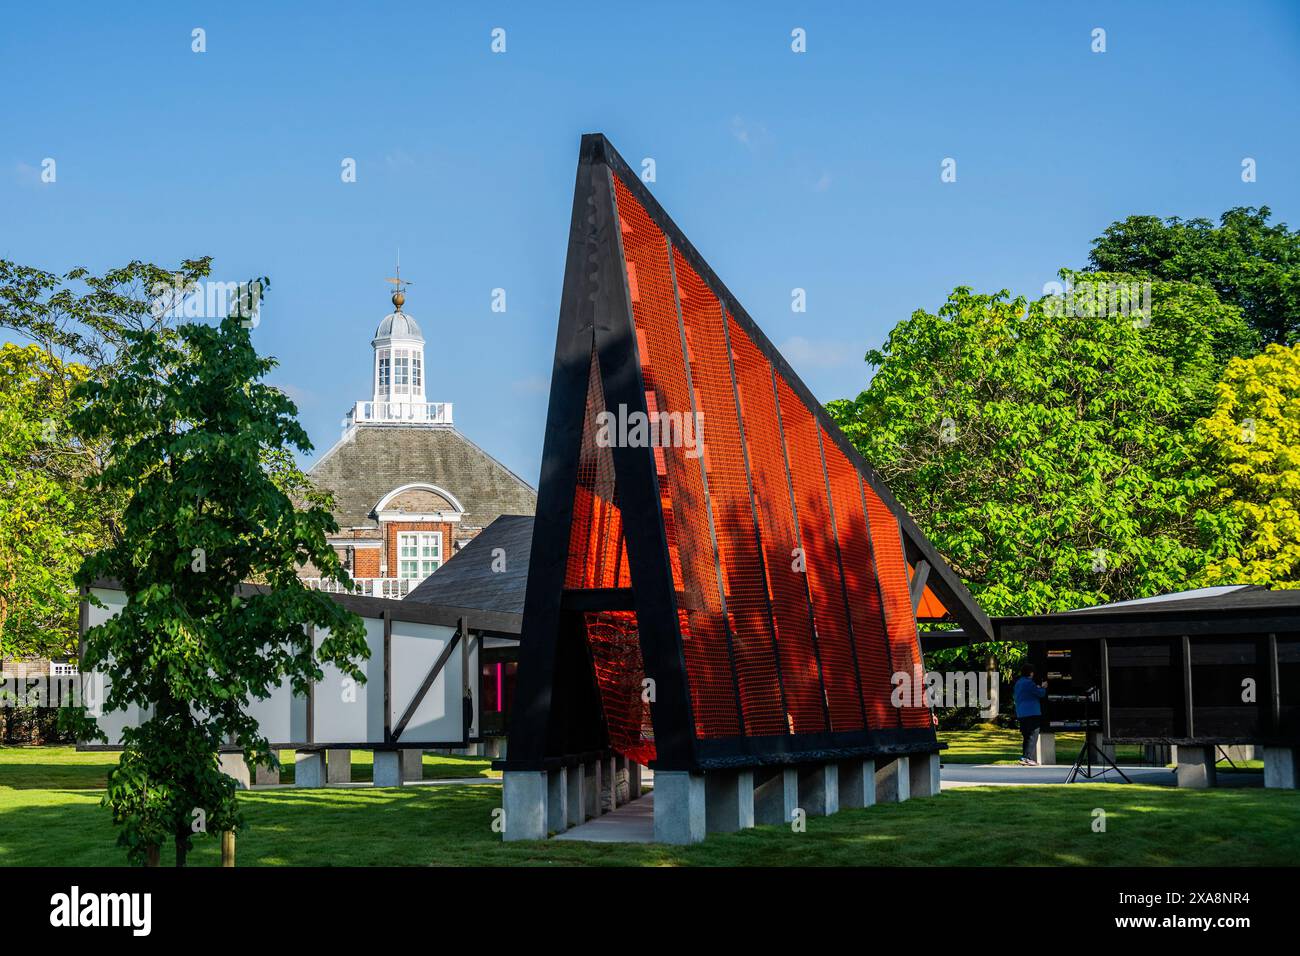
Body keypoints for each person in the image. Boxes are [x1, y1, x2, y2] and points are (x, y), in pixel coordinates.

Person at [1013, 663, 1047, 765]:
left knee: (1026, 736)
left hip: (1021, 713)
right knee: (1033, 735)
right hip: (1032, 712)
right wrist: (1043, 687)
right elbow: (1040, 693)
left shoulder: (1018, 683)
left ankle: (1024, 757)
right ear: (1031, 673)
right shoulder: (1029, 683)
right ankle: (1028, 758)